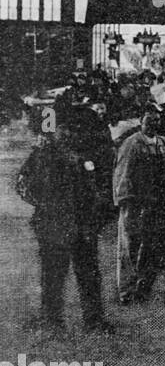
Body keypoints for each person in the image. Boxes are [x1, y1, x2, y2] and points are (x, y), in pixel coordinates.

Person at [16, 109, 113, 334]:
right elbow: (24, 185)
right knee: (56, 276)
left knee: (83, 275)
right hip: (58, 226)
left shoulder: (84, 158)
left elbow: (104, 192)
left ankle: (88, 321)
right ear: (57, 131)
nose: (68, 134)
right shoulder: (43, 155)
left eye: (72, 130)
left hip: (74, 226)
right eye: (64, 130)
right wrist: (44, 205)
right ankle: (58, 321)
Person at [113, 105, 165, 305]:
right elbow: (122, 174)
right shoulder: (132, 144)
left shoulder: (163, 143)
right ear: (141, 123)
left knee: (153, 246)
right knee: (130, 246)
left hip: (158, 202)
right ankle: (126, 291)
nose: (153, 125)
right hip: (136, 202)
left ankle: (144, 288)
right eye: (149, 121)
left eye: (156, 121)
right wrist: (125, 202)